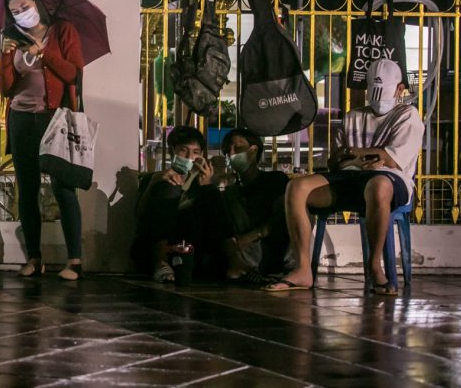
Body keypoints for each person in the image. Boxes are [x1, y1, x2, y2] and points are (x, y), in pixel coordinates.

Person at [268, 58, 424, 294]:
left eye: (383, 92)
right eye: (373, 92)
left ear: (400, 89)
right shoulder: (353, 116)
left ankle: (375, 267)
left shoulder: (407, 115)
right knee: (297, 188)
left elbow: (392, 159)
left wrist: (354, 153)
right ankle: (302, 270)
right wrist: (360, 159)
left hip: (390, 180)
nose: (377, 99)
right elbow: (335, 161)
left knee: (378, 185)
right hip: (350, 177)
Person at [0, 0, 85, 280]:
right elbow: (6, 88)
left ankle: (75, 260)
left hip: (55, 118)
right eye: (14, 11)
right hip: (21, 119)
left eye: (25, 7)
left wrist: (44, 53)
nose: (21, 14)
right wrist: (6, 57)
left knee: (63, 187)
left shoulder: (62, 31)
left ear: (37, 3)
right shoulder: (13, 38)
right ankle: (34, 258)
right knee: (27, 189)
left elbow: (73, 74)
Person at [130, 125, 223, 282]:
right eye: (183, 150)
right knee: (169, 187)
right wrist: (153, 183)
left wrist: (206, 186)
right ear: (173, 151)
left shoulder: (201, 182)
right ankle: (160, 259)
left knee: (212, 193)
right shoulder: (157, 178)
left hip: (190, 247)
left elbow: (213, 220)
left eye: (195, 152)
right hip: (155, 247)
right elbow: (140, 215)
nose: (189, 157)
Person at [218, 128, 290, 283]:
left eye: (238, 148)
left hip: (278, 247)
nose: (232, 154)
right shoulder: (232, 191)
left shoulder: (276, 180)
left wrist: (256, 234)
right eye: (227, 151)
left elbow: (283, 216)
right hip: (249, 253)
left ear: (253, 150)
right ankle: (241, 267)